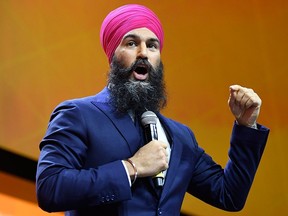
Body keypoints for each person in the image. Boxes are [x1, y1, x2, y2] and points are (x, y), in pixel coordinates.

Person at [36, 4, 269, 216]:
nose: (143, 53)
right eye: (131, 43)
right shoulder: (79, 114)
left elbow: (228, 195)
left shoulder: (181, 137)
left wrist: (246, 126)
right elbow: (50, 187)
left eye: (152, 45)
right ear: (112, 55)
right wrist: (132, 167)